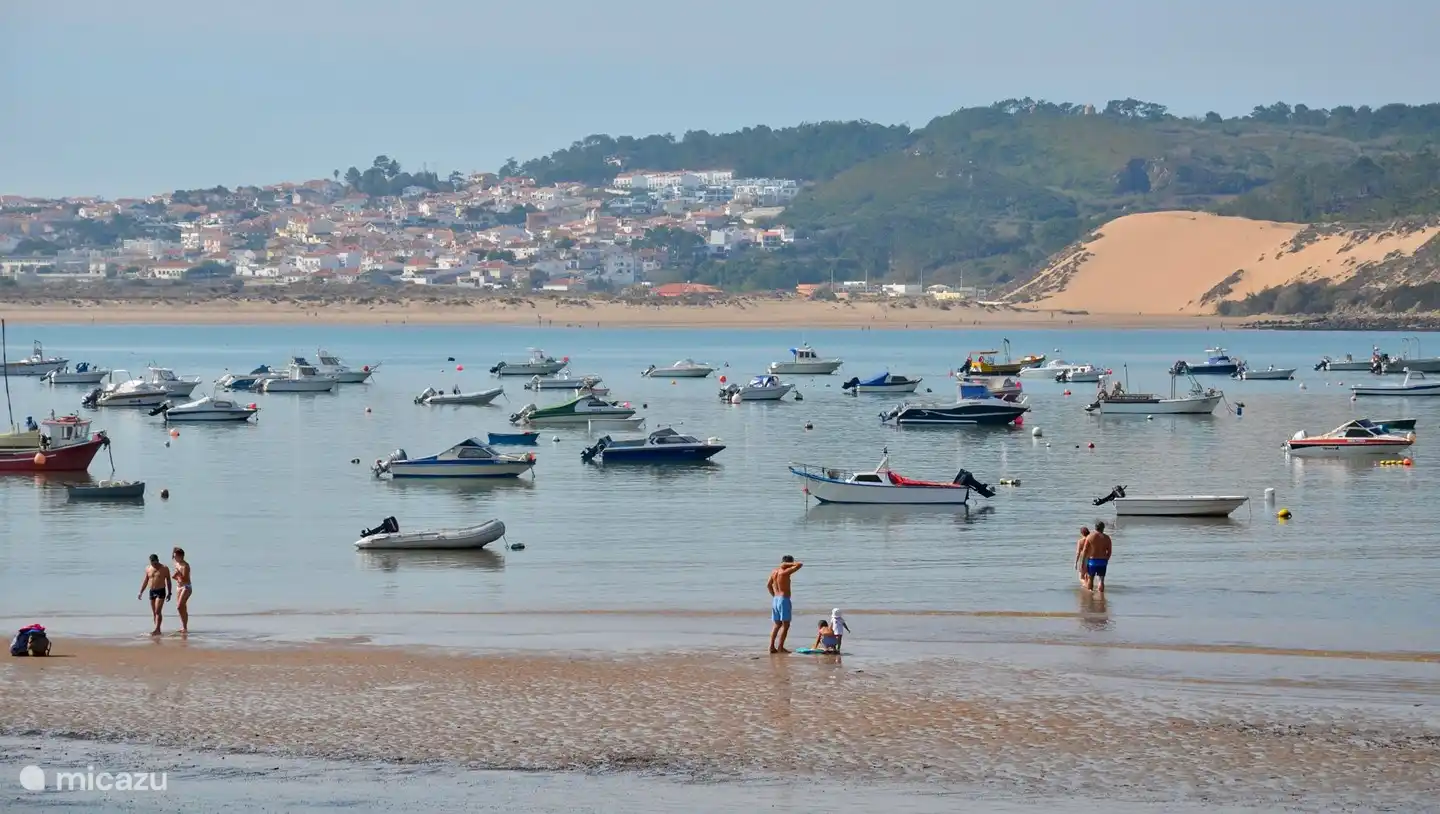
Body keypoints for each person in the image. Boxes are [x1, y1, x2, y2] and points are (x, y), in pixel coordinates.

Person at [766, 555, 803, 654]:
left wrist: (774, 596)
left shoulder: (774, 572)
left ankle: (771, 647)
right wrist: (788, 564)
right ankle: (780, 647)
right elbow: (800, 564)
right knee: (786, 625)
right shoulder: (785, 572)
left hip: (776, 599)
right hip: (784, 600)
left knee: (777, 624)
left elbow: (768, 585)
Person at [137, 554, 172, 636]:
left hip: (161, 590)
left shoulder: (164, 568)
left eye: (155, 563)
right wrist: (141, 592)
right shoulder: (148, 568)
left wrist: (169, 593)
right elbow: (146, 580)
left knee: (157, 611)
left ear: (158, 560)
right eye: (152, 563)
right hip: (152, 591)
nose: (154, 565)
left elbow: (168, 580)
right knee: (154, 612)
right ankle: (157, 629)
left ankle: (157, 629)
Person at [1083, 521, 1113, 594]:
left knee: (1090, 578)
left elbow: (1085, 550)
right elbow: (1109, 551)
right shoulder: (1107, 538)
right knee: (1101, 580)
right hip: (1103, 561)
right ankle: (1101, 595)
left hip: (1092, 561)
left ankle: (1090, 594)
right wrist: (1106, 560)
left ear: (1095, 527)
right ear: (1103, 528)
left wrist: (1083, 562)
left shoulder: (1090, 537)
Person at [171, 547, 192, 634]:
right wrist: (175, 576)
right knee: (182, 607)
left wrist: (179, 575)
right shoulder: (176, 564)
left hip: (186, 587)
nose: (174, 558)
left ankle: (184, 627)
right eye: (174, 556)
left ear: (181, 556)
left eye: (176, 556)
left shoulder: (185, 566)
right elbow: (177, 577)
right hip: (179, 587)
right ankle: (184, 627)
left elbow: (185, 579)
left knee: (179, 607)